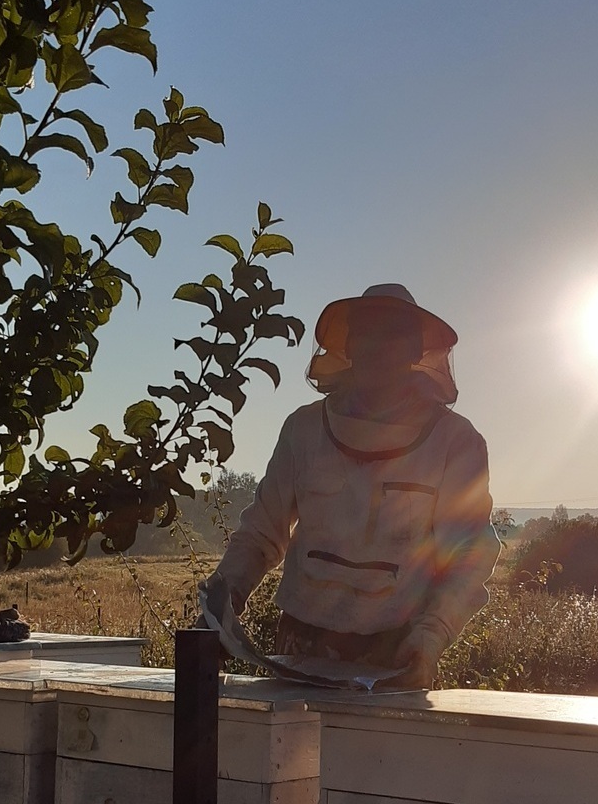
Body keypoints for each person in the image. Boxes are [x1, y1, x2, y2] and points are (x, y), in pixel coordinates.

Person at [202, 283, 500, 688]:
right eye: (365, 332)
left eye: (392, 333)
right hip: (301, 645)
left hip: (399, 648)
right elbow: (261, 532)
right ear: (349, 345)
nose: (377, 346)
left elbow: (469, 553)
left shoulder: (456, 442)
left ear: (416, 350)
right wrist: (219, 609)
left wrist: (431, 636)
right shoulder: (303, 429)